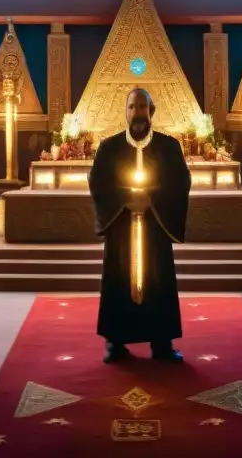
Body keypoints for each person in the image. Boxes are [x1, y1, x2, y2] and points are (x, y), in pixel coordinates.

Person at [88, 88, 191, 363]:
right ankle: (116, 343)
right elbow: (98, 182)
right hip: (121, 228)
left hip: (156, 229)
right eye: (132, 107)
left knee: (159, 280)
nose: (137, 113)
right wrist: (125, 199)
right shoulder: (109, 148)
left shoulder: (169, 147)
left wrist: (151, 198)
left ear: (152, 111)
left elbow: (181, 183)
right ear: (125, 111)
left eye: (143, 107)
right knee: (118, 278)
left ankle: (162, 344)